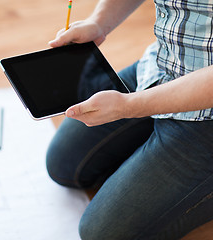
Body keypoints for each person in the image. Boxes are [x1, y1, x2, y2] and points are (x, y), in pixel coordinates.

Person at [45, 0, 213, 239]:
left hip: (208, 110)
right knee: (65, 166)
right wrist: (98, 22)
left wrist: (130, 106)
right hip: (162, 67)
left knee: (103, 234)